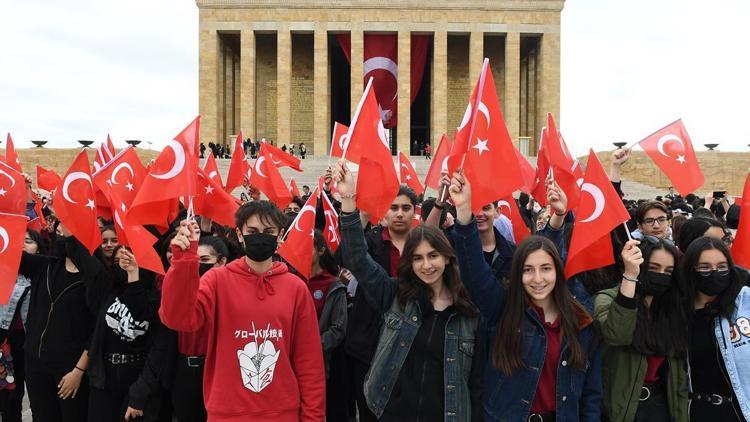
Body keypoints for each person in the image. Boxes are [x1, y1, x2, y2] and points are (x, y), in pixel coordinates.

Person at [334, 160, 484, 421]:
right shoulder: (396, 295)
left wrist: (463, 210)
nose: (426, 265)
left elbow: (476, 382)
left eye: (433, 255)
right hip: (391, 413)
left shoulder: (468, 312)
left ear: (447, 257)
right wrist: (348, 198)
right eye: (417, 258)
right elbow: (357, 258)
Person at [449, 169, 602, 422]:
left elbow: (591, 394)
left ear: (558, 271)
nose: (538, 279)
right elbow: (475, 273)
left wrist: (559, 216)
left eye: (546, 269)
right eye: (528, 270)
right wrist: (464, 212)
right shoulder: (505, 309)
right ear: (518, 274)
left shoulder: (581, 321)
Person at [160, 201, 325, 421]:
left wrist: (313, 417)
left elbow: (309, 364)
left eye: (268, 232)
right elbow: (177, 319)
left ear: (280, 235)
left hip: (282, 413)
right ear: (239, 234)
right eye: (252, 231)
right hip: (226, 413)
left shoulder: (296, 288)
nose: (260, 237)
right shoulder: (216, 280)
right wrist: (183, 262)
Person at [595, 236, 689, 422]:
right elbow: (618, 335)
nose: (661, 275)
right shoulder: (607, 299)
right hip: (621, 410)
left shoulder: (671, 307)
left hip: (661, 406)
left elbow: (678, 375)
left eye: (668, 271)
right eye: (654, 268)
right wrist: (630, 277)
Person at [343, 185, 417, 422]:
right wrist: (359, 214)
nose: (399, 213)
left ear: (414, 212)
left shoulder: (424, 247)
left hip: (410, 344)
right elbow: (350, 256)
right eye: (393, 207)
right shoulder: (371, 241)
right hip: (369, 344)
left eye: (406, 208)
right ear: (384, 212)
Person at [82, 246, 170, 421]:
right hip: (104, 376)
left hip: (138, 375)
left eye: (129, 260)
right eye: (117, 262)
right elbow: (85, 260)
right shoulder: (108, 292)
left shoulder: (157, 298)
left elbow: (140, 311)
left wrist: (133, 275)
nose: (122, 265)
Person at [21, 223, 96, 422]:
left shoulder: (95, 278)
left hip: (70, 370)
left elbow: (97, 331)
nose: (63, 234)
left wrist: (79, 372)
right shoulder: (45, 266)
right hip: (35, 363)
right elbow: (7, 251)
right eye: (62, 230)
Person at [682, 237, 750, 421]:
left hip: (742, 411)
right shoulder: (678, 313)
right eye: (704, 267)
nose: (714, 273)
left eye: (722, 266)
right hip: (700, 412)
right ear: (691, 269)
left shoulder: (744, 301)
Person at [171, 236, 229, 422]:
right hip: (184, 370)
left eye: (205, 260)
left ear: (221, 262)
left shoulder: (229, 291)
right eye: (196, 260)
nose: (199, 265)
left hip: (216, 370)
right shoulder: (185, 287)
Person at [0, 229, 46, 422]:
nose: (23, 245)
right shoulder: (4, 273)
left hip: (34, 345)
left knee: (40, 399)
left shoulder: (46, 275)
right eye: (19, 241)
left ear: (39, 248)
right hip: (7, 345)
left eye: (28, 241)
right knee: (9, 397)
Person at [307, 230, 348, 422]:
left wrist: (311, 348)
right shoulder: (290, 280)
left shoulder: (333, 285)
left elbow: (338, 329)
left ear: (321, 249)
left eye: (309, 247)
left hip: (321, 363)